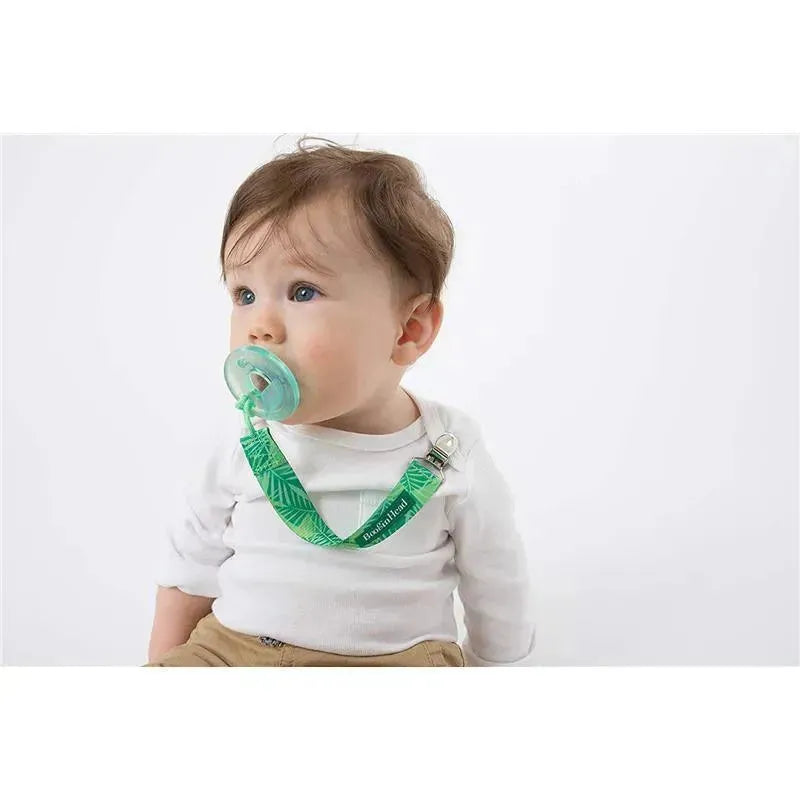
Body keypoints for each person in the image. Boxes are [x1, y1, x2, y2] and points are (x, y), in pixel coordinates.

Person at [145, 137, 536, 666]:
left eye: (302, 292)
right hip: (233, 649)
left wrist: (496, 662)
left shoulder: (448, 447)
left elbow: (496, 573)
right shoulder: (242, 438)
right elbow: (189, 565)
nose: (260, 326)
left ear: (409, 329)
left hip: (399, 660)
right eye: (244, 295)